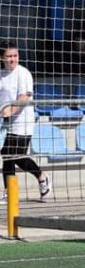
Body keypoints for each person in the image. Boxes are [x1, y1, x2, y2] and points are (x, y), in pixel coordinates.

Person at [0, 39, 51, 200]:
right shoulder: (2, 75)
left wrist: (10, 110)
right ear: (2, 58)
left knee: (17, 155)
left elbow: (24, 98)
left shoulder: (23, 73)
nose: (13, 59)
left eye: (15, 55)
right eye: (9, 56)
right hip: (5, 123)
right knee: (6, 155)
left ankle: (42, 177)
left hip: (23, 122)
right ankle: (9, 192)